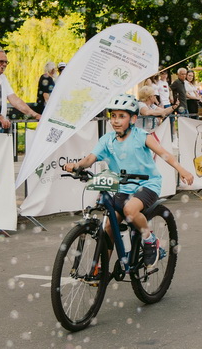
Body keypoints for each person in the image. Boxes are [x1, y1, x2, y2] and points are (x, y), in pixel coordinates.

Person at [63, 94, 194, 269]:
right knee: (109, 225)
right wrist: (76, 166)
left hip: (147, 184)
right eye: (113, 116)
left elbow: (164, 154)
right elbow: (90, 159)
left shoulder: (141, 136)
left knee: (130, 210)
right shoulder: (107, 140)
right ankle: (101, 268)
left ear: (132, 119)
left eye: (121, 116)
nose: (116, 120)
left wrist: (182, 170)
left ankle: (150, 240)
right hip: (124, 186)